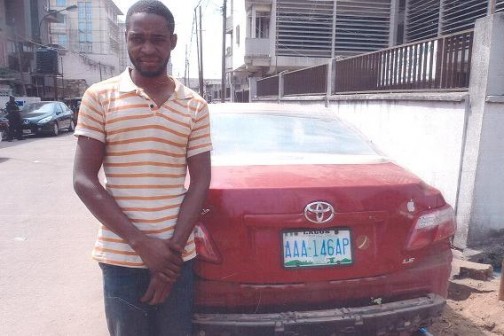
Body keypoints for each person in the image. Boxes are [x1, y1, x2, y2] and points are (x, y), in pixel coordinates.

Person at [72, 1, 212, 335]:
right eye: (138, 38)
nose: (147, 48)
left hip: (177, 260)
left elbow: (200, 181)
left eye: (158, 39)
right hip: (121, 258)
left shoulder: (195, 107)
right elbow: (83, 179)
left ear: (172, 41)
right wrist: (142, 245)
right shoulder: (99, 97)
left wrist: (169, 258)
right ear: (126, 38)